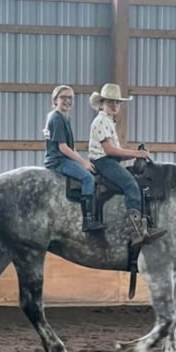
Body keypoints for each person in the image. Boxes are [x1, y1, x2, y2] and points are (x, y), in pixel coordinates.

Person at [88, 83, 166, 247]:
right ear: (102, 103)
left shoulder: (108, 121)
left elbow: (115, 151)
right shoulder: (101, 121)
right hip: (103, 161)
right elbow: (109, 150)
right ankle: (136, 230)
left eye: (117, 102)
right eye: (111, 102)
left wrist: (134, 155)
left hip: (109, 160)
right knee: (131, 185)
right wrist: (136, 154)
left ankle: (144, 223)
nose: (115, 105)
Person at [43, 85, 106, 232]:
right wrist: (83, 162)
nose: (67, 101)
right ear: (55, 100)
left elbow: (70, 146)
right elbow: (63, 147)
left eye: (70, 98)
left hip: (62, 157)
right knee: (88, 178)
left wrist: (82, 160)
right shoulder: (57, 118)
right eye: (63, 98)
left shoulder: (61, 117)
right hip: (58, 160)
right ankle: (88, 220)